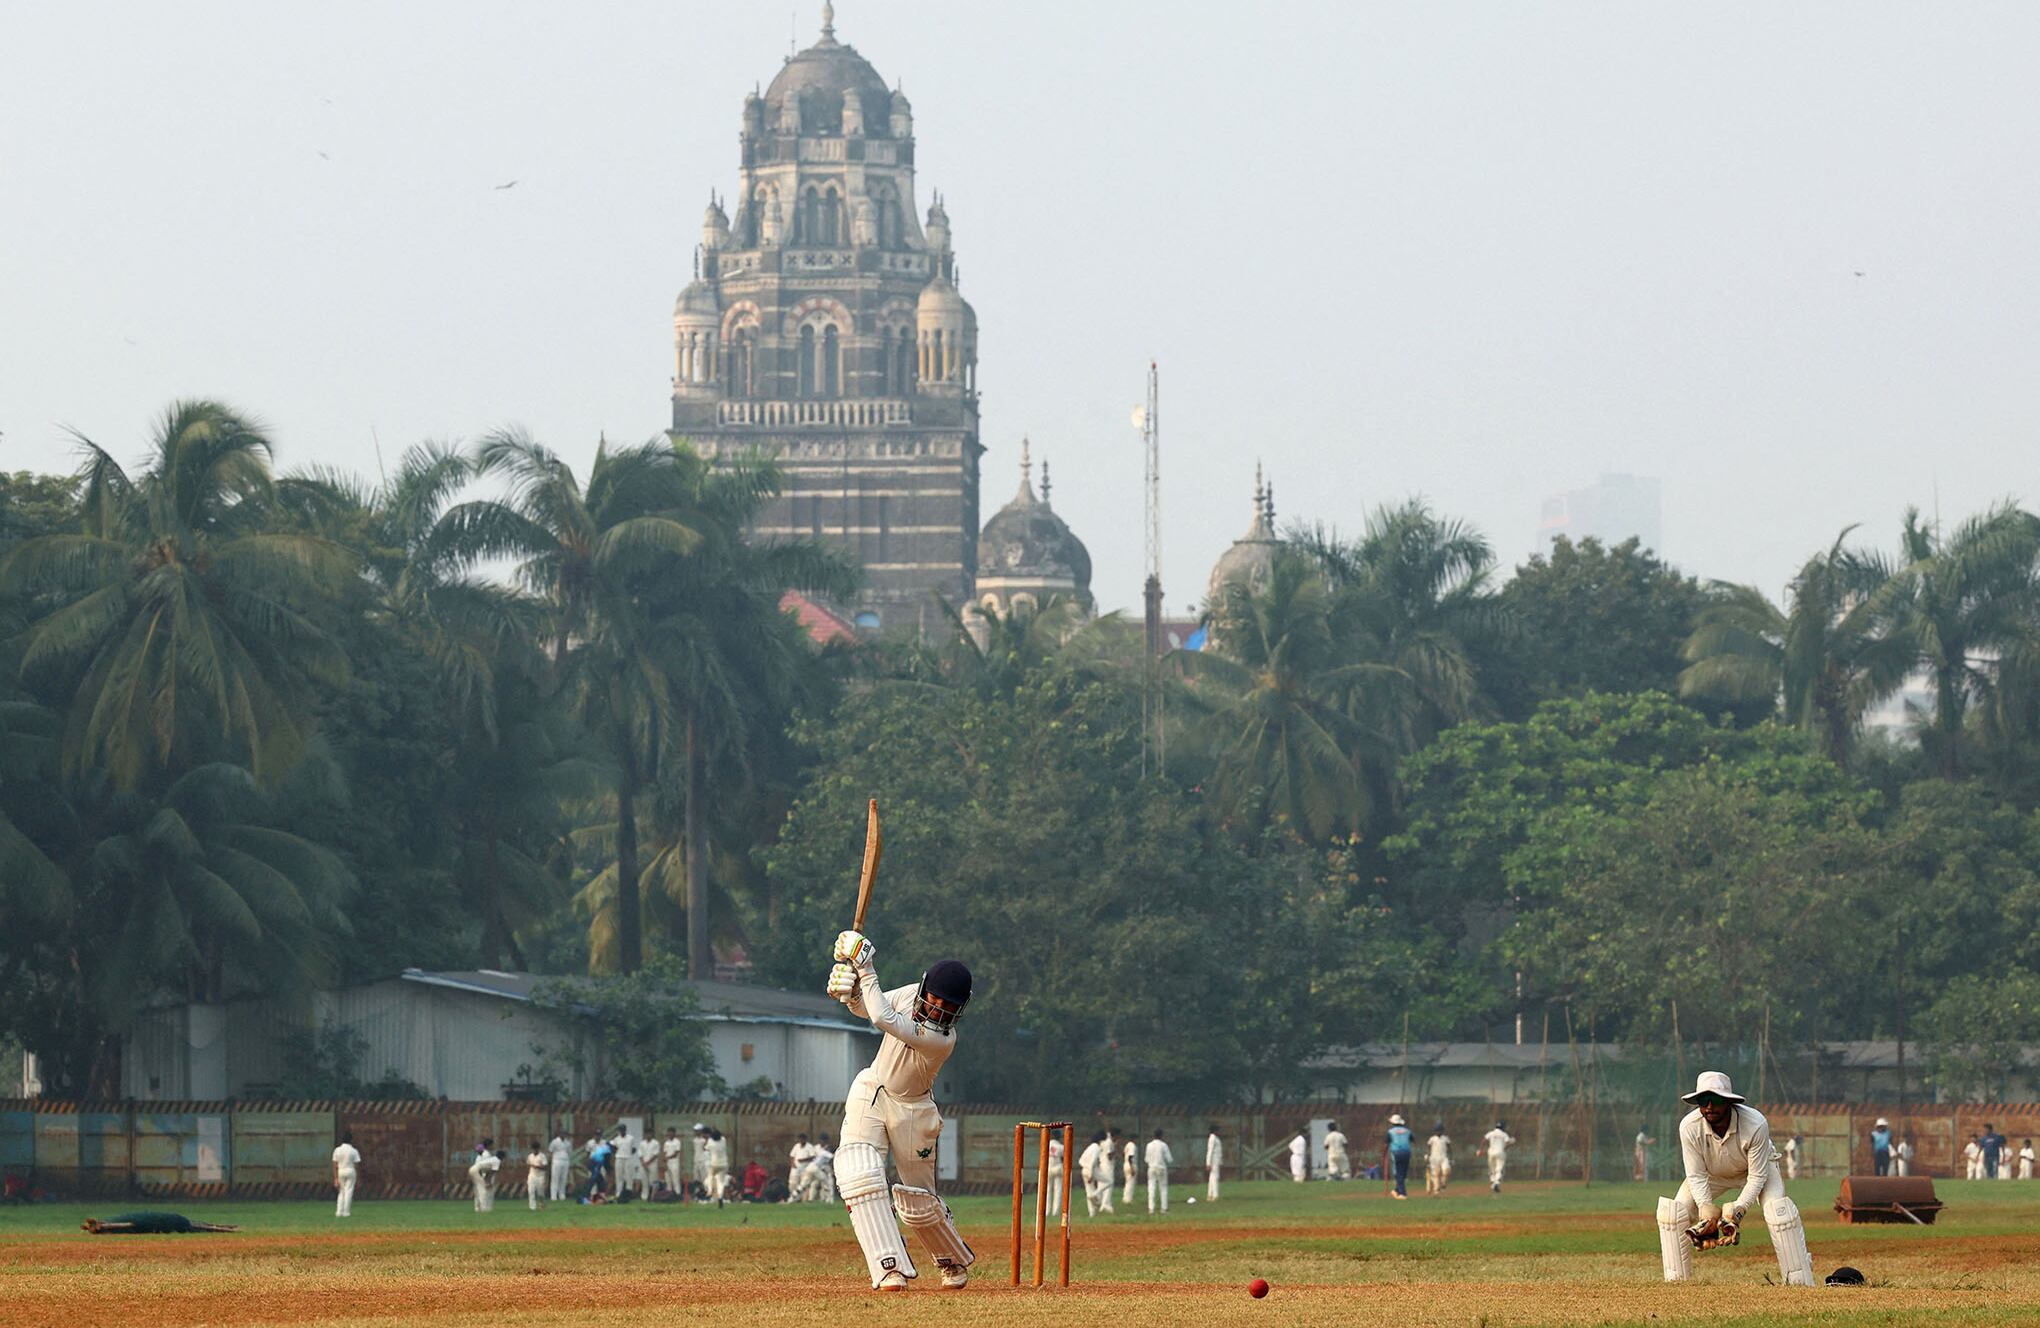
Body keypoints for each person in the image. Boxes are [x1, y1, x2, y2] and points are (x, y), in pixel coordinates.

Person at [825, 928, 975, 1291]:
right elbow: (868, 1007)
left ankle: (951, 1261)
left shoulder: (943, 1040)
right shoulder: (910, 993)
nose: (938, 1009)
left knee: (918, 1202)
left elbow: (883, 1020)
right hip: (874, 1090)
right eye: (936, 1000)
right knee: (858, 1171)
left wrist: (867, 967)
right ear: (925, 989)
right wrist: (850, 991)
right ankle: (889, 1267)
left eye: (948, 1007)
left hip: (914, 1110)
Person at [1654, 1071, 1814, 1287]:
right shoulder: (1688, 1126)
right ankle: (1677, 1284)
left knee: (1779, 1213)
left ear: (1729, 1102)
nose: (1709, 1107)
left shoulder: (1755, 1123)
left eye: (1717, 1100)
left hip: (1755, 1170)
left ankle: (1799, 1282)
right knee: (1673, 1214)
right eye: (1703, 1101)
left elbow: (1757, 1176)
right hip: (1712, 1174)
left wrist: (1737, 1211)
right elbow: (1696, 1175)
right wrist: (1706, 1213)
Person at [332, 1132, 361, 1218]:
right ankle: (346, 1212)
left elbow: (334, 1164)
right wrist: (358, 1177)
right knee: (349, 1191)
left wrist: (335, 1178)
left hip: (341, 1170)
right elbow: (357, 1164)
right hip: (351, 1170)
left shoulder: (337, 1150)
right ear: (351, 1140)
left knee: (341, 1192)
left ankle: (339, 1212)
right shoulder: (354, 1151)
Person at [1385, 1114, 1414, 1199]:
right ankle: (1397, 1190)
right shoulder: (1407, 1131)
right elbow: (1413, 1139)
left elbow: (1386, 1143)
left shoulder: (1390, 1132)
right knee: (1403, 1173)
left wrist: (1384, 1153)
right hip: (1407, 1152)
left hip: (1397, 1152)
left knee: (1399, 1173)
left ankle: (1402, 1193)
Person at [1145, 1129, 1173, 1214]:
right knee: (1163, 1188)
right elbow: (1169, 1159)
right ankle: (1164, 1208)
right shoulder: (1164, 1145)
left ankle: (1151, 1209)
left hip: (1151, 1168)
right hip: (1161, 1168)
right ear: (1161, 1136)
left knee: (1151, 1188)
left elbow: (1146, 1159)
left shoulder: (1149, 1145)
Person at [1078, 1131, 1106, 1217]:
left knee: (1089, 1190)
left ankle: (1092, 1213)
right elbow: (1093, 1162)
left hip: (1084, 1170)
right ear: (1100, 1140)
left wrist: (1086, 1168)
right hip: (1091, 1170)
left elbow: (1080, 1161)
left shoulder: (1089, 1147)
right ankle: (1094, 1195)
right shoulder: (1097, 1148)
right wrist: (1090, 1173)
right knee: (1109, 1181)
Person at [1483, 1120, 1515, 1193]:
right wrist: (1512, 1142)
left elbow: (1484, 1140)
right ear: (1503, 1127)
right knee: (1499, 1169)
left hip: (1491, 1152)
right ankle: (1496, 1183)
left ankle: (1492, 1181)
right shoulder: (1504, 1134)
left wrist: (1480, 1149)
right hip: (1500, 1152)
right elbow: (1507, 1143)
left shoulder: (1491, 1133)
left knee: (1492, 1168)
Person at [469, 1139, 501, 1213]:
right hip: (483, 1174)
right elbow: (486, 1166)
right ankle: (485, 1208)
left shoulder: (480, 1155)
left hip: (478, 1173)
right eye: (492, 1145)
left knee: (478, 1192)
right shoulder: (486, 1154)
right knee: (485, 1192)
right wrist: (487, 1179)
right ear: (489, 1145)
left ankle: (478, 1208)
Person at [788, 1133, 817, 1201]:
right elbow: (792, 1156)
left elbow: (813, 1157)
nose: (801, 1140)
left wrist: (803, 1160)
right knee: (792, 1184)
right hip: (795, 1168)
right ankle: (794, 1199)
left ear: (805, 1139)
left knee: (804, 1185)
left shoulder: (809, 1147)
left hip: (805, 1169)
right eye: (800, 1139)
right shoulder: (796, 1146)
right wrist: (792, 1163)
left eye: (802, 1139)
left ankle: (804, 1200)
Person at [1426, 1121, 1452, 1195]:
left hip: (1444, 1157)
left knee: (1446, 1171)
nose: (1438, 1132)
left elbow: (1450, 1148)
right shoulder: (1432, 1139)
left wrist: (1451, 1157)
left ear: (1442, 1131)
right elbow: (1428, 1148)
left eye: (1440, 1130)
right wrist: (1427, 1156)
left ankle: (1443, 1184)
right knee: (1436, 1174)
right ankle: (1436, 1190)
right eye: (1437, 1130)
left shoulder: (1446, 1138)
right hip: (1434, 1158)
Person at [707, 1129, 733, 1203]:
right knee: (721, 1182)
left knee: (711, 1179)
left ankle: (711, 1193)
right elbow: (720, 1136)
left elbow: (705, 1148)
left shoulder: (711, 1142)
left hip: (714, 1164)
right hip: (724, 1164)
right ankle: (720, 1197)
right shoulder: (723, 1140)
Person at [548, 1131, 573, 1202]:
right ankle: (553, 1196)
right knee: (555, 1178)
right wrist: (550, 1161)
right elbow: (550, 1151)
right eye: (561, 1134)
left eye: (564, 1134)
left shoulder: (568, 1143)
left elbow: (569, 1152)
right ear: (559, 1134)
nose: (563, 1135)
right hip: (556, 1160)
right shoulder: (554, 1142)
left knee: (563, 1178)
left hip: (565, 1161)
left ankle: (562, 1195)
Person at [638, 1131, 663, 1198]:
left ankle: (653, 1196)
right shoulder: (642, 1143)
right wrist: (643, 1163)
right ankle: (644, 1196)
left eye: (649, 1133)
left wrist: (647, 1163)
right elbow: (640, 1154)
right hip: (643, 1164)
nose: (648, 1135)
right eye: (646, 1133)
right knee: (644, 1181)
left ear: (652, 1134)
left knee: (653, 1181)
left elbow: (655, 1154)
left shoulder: (656, 1143)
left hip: (652, 1164)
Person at [664, 1127, 687, 1199]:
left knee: (675, 1179)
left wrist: (667, 1157)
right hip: (668, 1163)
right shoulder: (666, 1142)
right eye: (669, 1132)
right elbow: (665, 1153)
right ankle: (669, 1194)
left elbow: (676, 1153)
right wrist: (665, 1162)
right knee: (668, 1179)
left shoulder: (677, 1142)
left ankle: (678, 1194)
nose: (670, 1134)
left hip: (675, 1163)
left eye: (671, 1132)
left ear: (674, 1133)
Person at [1046, 1132, 1065, 1217]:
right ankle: (1055, 1212)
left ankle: (1046, 1211)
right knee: (1058, 1189)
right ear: (1059, 1137)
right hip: (1058, 1168)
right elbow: (1063, 1159)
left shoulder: (1046, 1145)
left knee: (1047, 1190)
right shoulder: (1061, 1147)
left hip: (1048, 1168)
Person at [525, 1141, 548, 1210]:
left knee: (540, 1192)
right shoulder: (530, 1156)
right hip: (532, 1175)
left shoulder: (542, 1156)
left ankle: (542, 1203)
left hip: (540, 1176)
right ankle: (532, 1207)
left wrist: (536, 1166)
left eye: (535, 1149)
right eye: (533, 1149)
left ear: (538, 1149)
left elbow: (545, 1167)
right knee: (531, 1191)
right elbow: (528, 1164)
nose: (534, 1150)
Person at [1205, 1124, 1223, 1201]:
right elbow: (1210, 1151)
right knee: (1215, 1177)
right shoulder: (1212, 1138)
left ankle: (1210, 1195)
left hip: (1216, 1160)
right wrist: (1208, 1163)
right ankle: (1215, 1195)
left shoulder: (1215, 1138)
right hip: (1213, 1160)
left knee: (1212, 1177)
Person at [1122, 1131, 1139, 1208]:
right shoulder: (1132, 1145)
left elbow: (1124, 1154)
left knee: (1128, 1182)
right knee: (1131, 1183)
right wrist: (1132, 1167)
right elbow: (1130, 1157)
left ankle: (1125, 1198)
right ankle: (1128, 1199)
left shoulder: (1127, 1145)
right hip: (1131, 1164)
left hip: (1126, 1164)